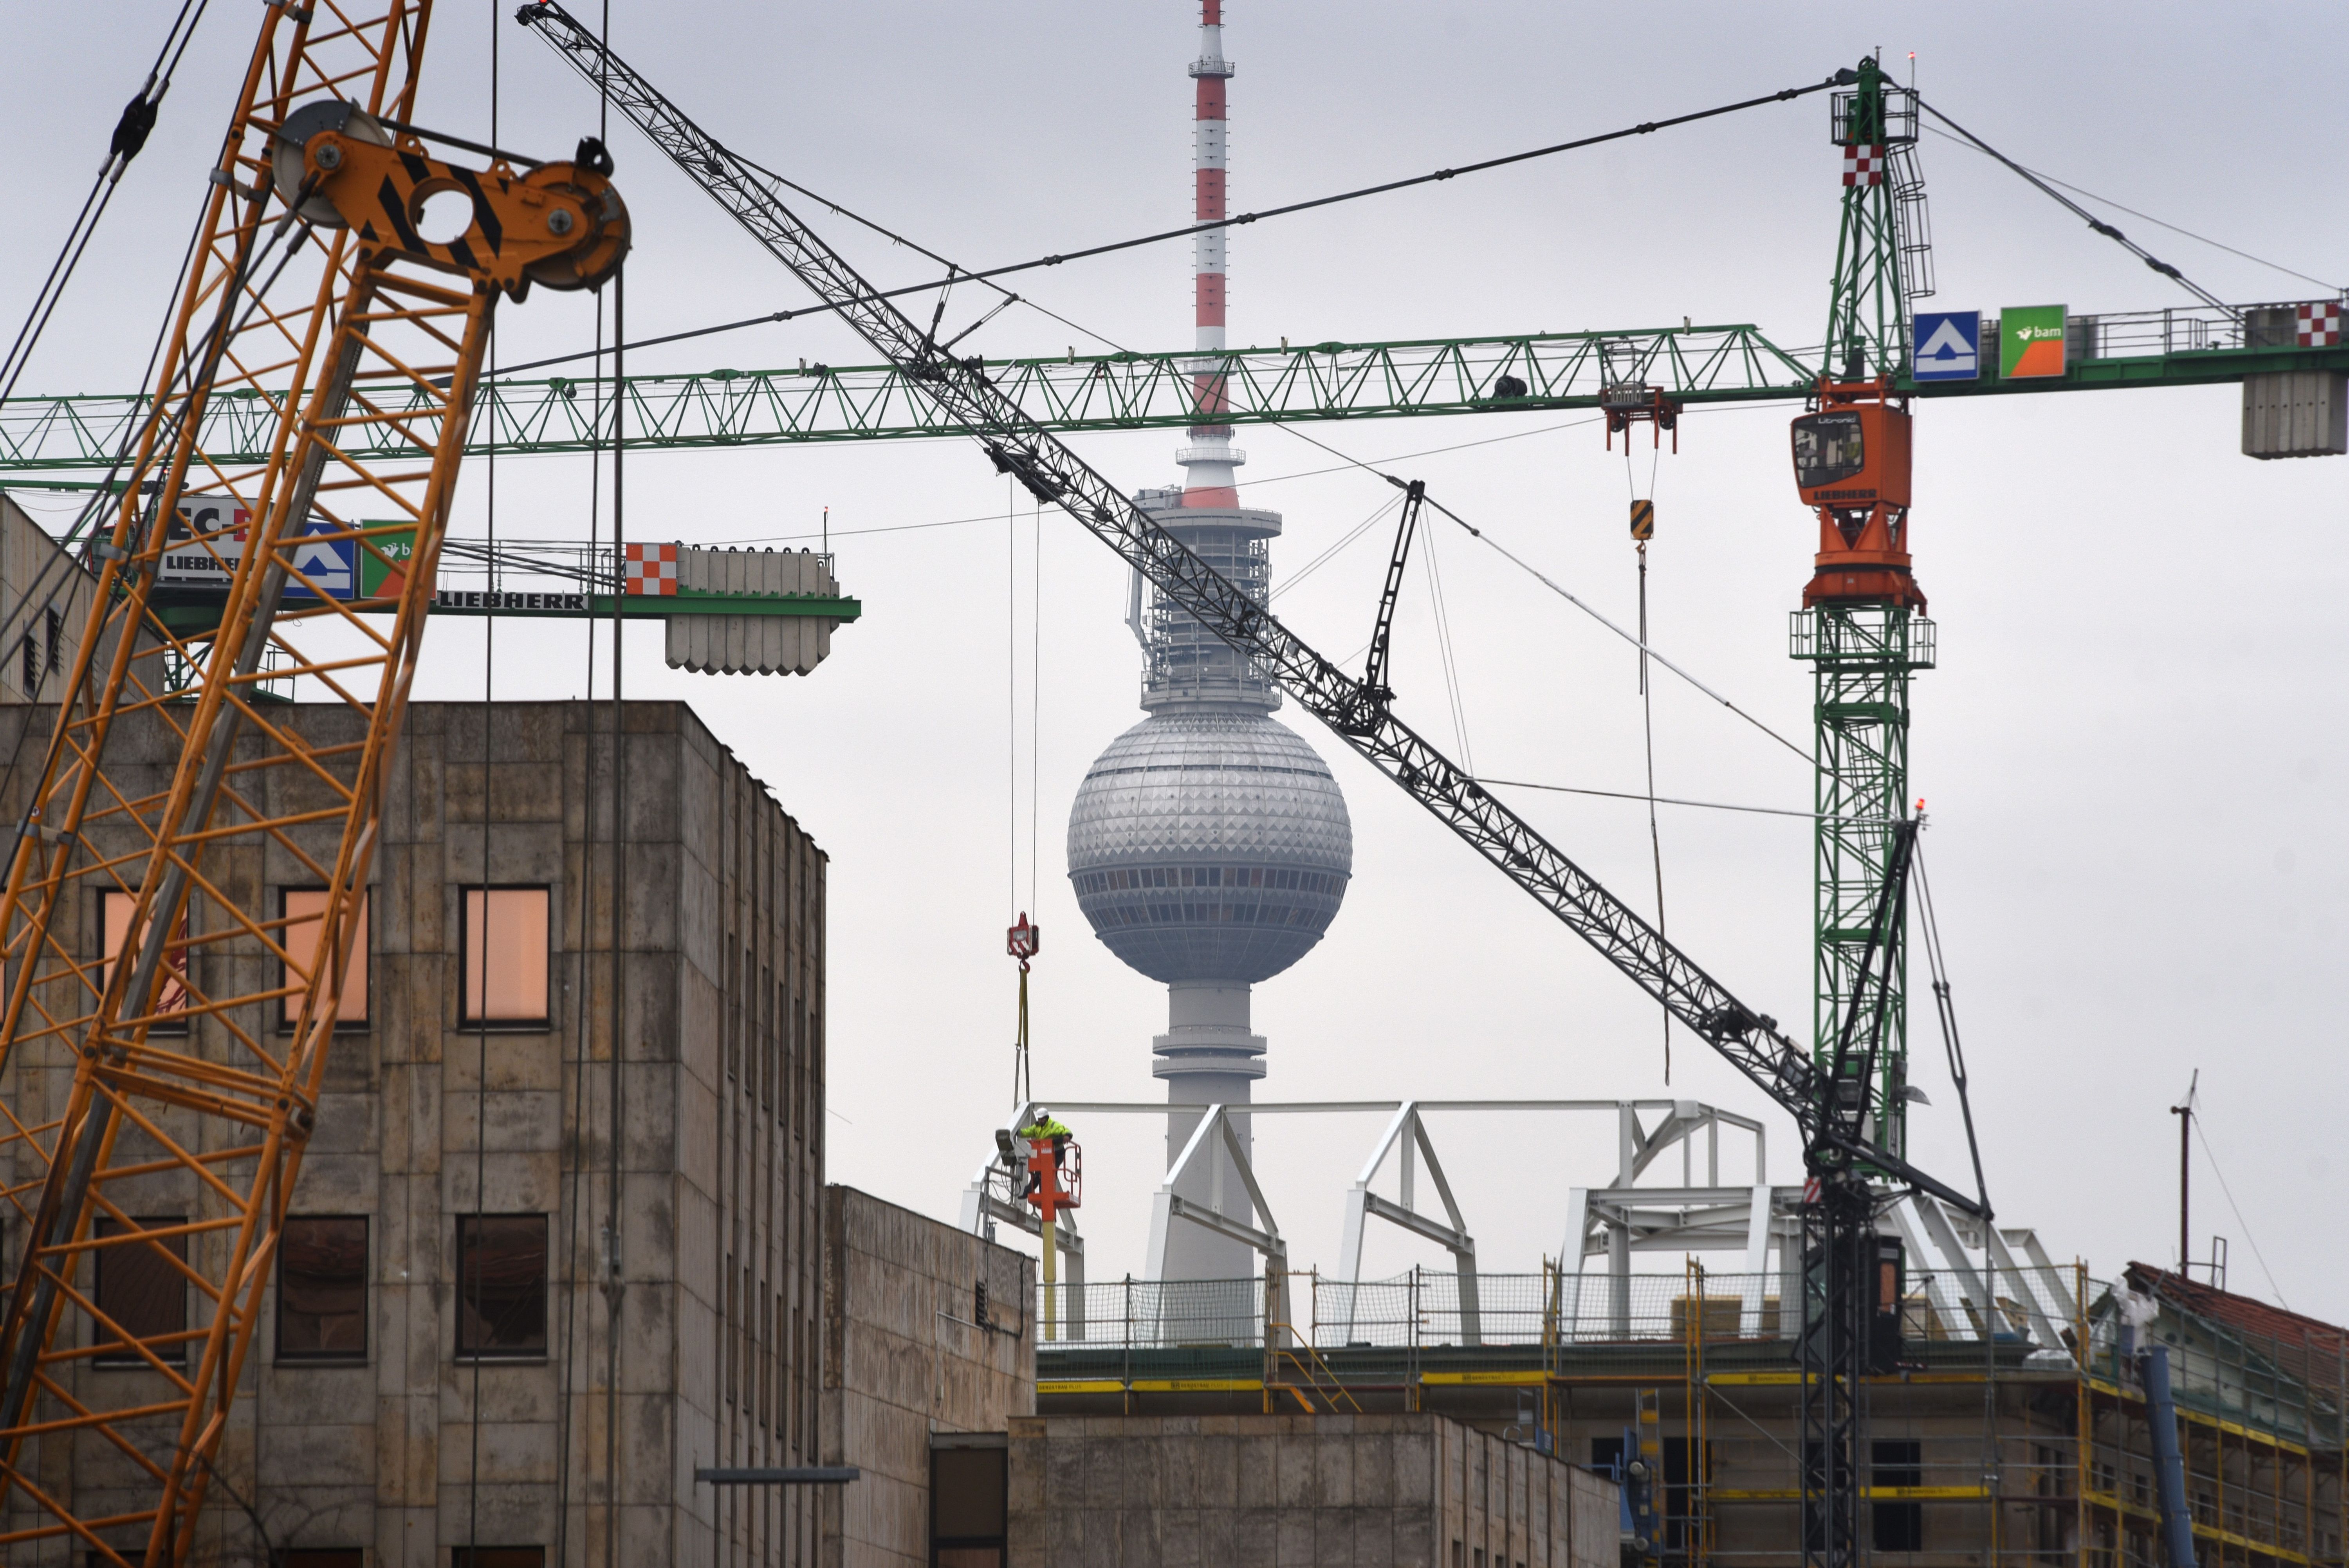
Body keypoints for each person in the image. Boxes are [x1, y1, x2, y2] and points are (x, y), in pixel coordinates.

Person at [1016, 1108, 1072, 1197]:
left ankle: (1041, 1193)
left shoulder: (1054, 1126)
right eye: (1039, 1119)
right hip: (1045, 1154)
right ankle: (1030, 1192)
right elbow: (1027, 1132)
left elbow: (1065, 1130)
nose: (1040, 1121)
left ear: (1046, 1118)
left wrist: (1067, 1136)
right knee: (1039, 1174)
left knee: (1047, 1174)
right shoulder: (1037, 1127)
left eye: (1042, 1119)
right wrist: (1017, 1132)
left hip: (1057, 1154)